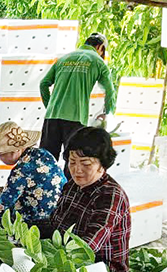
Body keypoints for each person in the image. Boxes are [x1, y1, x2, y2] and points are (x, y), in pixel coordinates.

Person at [45, 127, 131, 272]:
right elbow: (54, 224)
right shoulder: (71, 186)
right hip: (66, 259)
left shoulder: (111, 195)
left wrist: (49, 261)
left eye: (85, 164)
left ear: (102, 164)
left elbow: (87, 247)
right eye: (72, 162)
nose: (77, 170)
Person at [39, 33, 117, 175]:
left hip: (52, 117)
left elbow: (43, 84)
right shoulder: (98, 62)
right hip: (76, 119)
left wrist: (50, 106)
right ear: (100, 47)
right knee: (73, 161)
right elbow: (110, 91)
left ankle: (42, 193)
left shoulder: (63, 59)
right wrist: (108, 114)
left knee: (45, 161)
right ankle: (68, 195)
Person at [0, 121, 65, 227]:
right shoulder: (44, 154)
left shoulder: (21, 170)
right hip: (60, 209)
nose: (0, 158)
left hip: (38, 219)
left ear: (16, 150)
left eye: (2, 154)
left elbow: (6, 200)